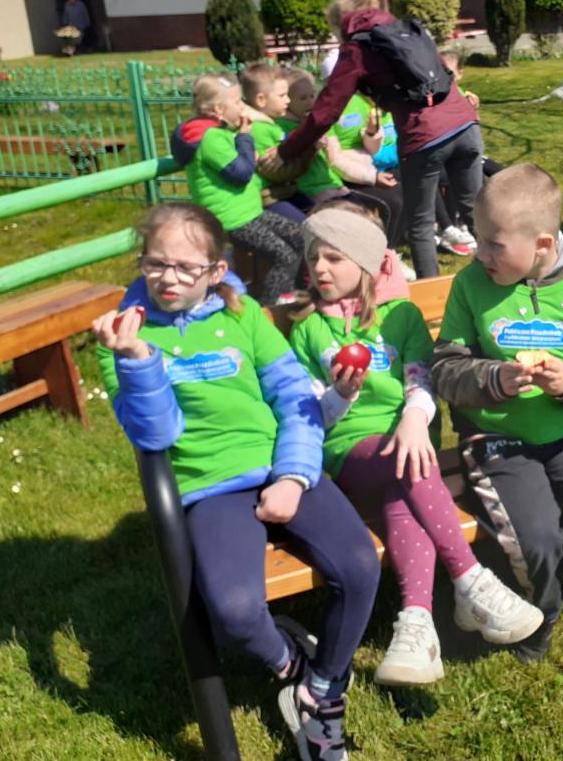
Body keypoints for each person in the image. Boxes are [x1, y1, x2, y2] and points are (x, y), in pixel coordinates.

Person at [93, 202, 379, 761]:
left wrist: (293, 476)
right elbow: (156, 433)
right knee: (236, 611)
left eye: (186, 268)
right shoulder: (125, 335)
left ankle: (322, 695)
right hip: (210, 488)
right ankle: (293, 668)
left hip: (281, 462)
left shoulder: (244, 315)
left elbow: (295, 399)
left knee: (359, 566)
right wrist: (137, 359)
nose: (169, 279)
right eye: (156, 264)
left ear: (216, 270)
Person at [288, 204, 542, 686]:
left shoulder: (400, 317)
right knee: (404, 464)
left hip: (408, 444)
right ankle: (470, 579)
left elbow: (420, 380)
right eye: (314, 257)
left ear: (365, 263)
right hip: (348, 450)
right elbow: (310, 416)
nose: (320, 268)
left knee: (402, 494)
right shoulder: (308, 331)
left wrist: (411, 418)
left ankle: (417, 627)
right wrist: (340, 395)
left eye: (333, 258)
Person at [430, 164, 563, 661]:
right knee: (537, 538)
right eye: (478, 239)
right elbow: (445, 369)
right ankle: (542, 614)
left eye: (494, 245)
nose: (479, 254)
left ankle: (542, 570)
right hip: (497, 437)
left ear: (543, 245)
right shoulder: (471, 285)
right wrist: (492, 379)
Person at [278, 0, 483, 279]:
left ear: (342, 23)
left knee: (421, 224)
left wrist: (286, 150)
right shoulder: (407, 30)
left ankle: (432, 295)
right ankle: (504, 281)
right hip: (465, 124)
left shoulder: (357, 47)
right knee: (477, 213)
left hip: (424, 135)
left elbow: (326, 112)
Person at [170, 74, 305, 305]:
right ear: (218, 109)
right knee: (285, 256)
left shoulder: (220, 131)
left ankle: (292, 292)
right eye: (237, 101)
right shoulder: (211, 139)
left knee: (299, 236)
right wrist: (245, 140)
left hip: (249, 213)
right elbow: (241, 173)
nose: (242, 106)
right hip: (232, 219)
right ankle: (270, 308)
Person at [270, 71, 407, 259]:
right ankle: (372, 259)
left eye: (312, 96)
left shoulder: (318, 121)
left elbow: (369, 150)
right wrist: (312, 148)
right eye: (302, 98)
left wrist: (372, 132)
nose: (310, 102)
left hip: (335, 183)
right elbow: (330, 161)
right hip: (313, 190)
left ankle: (383, 257)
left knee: (370, 217)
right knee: (356, 219)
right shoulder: (283, 128)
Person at [239, 63, 304, 226]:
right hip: (269, 198)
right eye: (282, 96)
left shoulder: (271, 124)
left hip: (284, 191)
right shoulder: (258, 129)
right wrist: (309, 151)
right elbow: (274, 171)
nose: (288, 100)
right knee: (306, 227)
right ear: (261, 100)